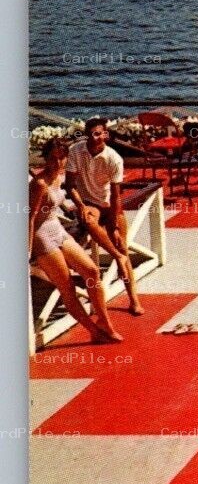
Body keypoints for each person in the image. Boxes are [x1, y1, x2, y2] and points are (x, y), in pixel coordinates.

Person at [30, 137, 122, 343]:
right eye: (52, 158)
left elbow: (62, 195)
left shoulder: (59, 177)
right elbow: (30, 217)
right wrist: (27, 250)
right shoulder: (40, 183)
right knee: (67, 287)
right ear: (45, 158)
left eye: (61, 158)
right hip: (41, 237)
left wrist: (79, 205)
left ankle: (105, 322)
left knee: (92, 271)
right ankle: (93, 331)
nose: (57, 163)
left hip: (57, 229)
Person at [66, 117, 140, 315]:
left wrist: (114, 225)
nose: (95, 138)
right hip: (90, 203)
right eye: (91, 134)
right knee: (88, 219)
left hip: (110, 205)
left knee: (122, 246)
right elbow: (70, 184)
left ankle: (134, 299)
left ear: (105, 134)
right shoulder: (75, 151)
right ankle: (117, 256)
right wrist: (80, 204)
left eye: (99, 134)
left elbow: (116, 196)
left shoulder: (114, 158)